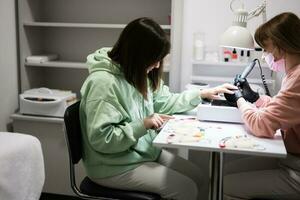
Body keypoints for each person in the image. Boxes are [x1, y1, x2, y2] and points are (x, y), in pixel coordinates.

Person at [79, 17, 237, 200]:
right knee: (185, 189)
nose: (157, 66)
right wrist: (143, 124)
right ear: (138, 55)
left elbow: (165, 101)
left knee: (200, 177)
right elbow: (102, 140)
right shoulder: (104, 84)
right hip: (113, 165)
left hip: (141, 153)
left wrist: (201, 94)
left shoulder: (134, 73)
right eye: (154, 60)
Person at [224, 12, 300, 200]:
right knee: (224, 171)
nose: (265, 54)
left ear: (281, 45)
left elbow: (261, 124)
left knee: (224, 185)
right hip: (290, 159)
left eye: (267, 49)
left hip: (296, 171)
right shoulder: (293, 74)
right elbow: (283, 108)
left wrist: (240, 99)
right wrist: (255, 98)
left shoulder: (298, 77)